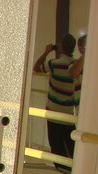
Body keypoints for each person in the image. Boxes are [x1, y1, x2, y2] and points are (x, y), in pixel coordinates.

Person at [33, 35, 78, 164]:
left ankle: (62, 170)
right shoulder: (75, 65)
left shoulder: (53, 64)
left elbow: (36, 67)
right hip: (68, 113)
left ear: (61, 47)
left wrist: (46, 51)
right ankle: (73, 170)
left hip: (53, 112)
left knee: (57, 148)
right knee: (71, 147)